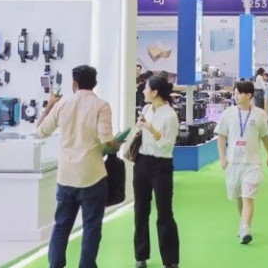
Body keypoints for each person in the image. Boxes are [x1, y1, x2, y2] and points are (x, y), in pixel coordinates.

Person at [36, 65, 120, 268]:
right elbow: (107, 140)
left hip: (66, 177)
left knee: (61, 226)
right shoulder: (101, 106)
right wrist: (115, 144)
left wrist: (49, 105)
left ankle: (55, 265)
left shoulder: (62, 105)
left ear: (74, 83)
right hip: (93, 176)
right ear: (94, 83)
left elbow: (40, 132)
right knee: (91, 228)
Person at [216, 81, 268, 244]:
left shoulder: (259, 114)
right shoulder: (228, 113)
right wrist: (222, 157)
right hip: (234, 163)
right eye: (234, 93)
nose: (235, 96)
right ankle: (243, 222)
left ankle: (246, 228)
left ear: (248, 95)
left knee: (248, 196)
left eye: (238, 93)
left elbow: (265, 137)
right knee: (240, 197)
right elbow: (221, 136)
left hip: (252, 163)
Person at [133, 75, 181, 268]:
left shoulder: (170, 115)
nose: (143, 91)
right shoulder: (146, 109)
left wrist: (152, 130)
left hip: (162, 165)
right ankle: (140, 255)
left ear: (154, 92)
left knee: (164, 212)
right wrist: (139, 128)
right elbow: (141, 135)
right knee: (140, 210)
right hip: (142, 162)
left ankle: (170, 260)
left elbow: (168, 146)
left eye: (146, 88)